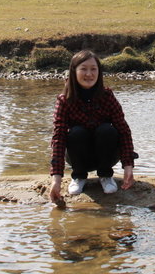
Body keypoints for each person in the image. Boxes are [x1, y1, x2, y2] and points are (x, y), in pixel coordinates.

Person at [48, 50, 136, 205]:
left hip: (107, 155)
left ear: (99, 72)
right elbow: (58, 138)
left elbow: (123, 131)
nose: (89, 74)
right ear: (74, 71)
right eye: (83, 69)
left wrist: (128, 167)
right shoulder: (64, 100)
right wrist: (56, 179)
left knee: (106, 130)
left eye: (93, 69)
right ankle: (79, 177)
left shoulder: (107, 96)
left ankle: (105, 176)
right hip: (77, 156)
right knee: (76, 132)